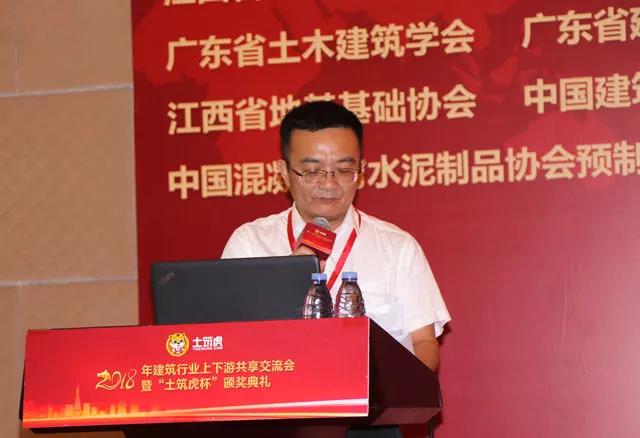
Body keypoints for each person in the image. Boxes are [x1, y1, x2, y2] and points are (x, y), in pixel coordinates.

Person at [222, 101, 450, 371]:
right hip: (281, 394)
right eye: (312, 171)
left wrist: (390, 393)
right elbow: (228, 339)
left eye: (343, 170)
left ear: (360, 171)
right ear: (284, 172)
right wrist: (285, 284)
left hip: (370, 396)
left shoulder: (397, 248)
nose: (329, 184)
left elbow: (423, 342)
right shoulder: (249, 244)